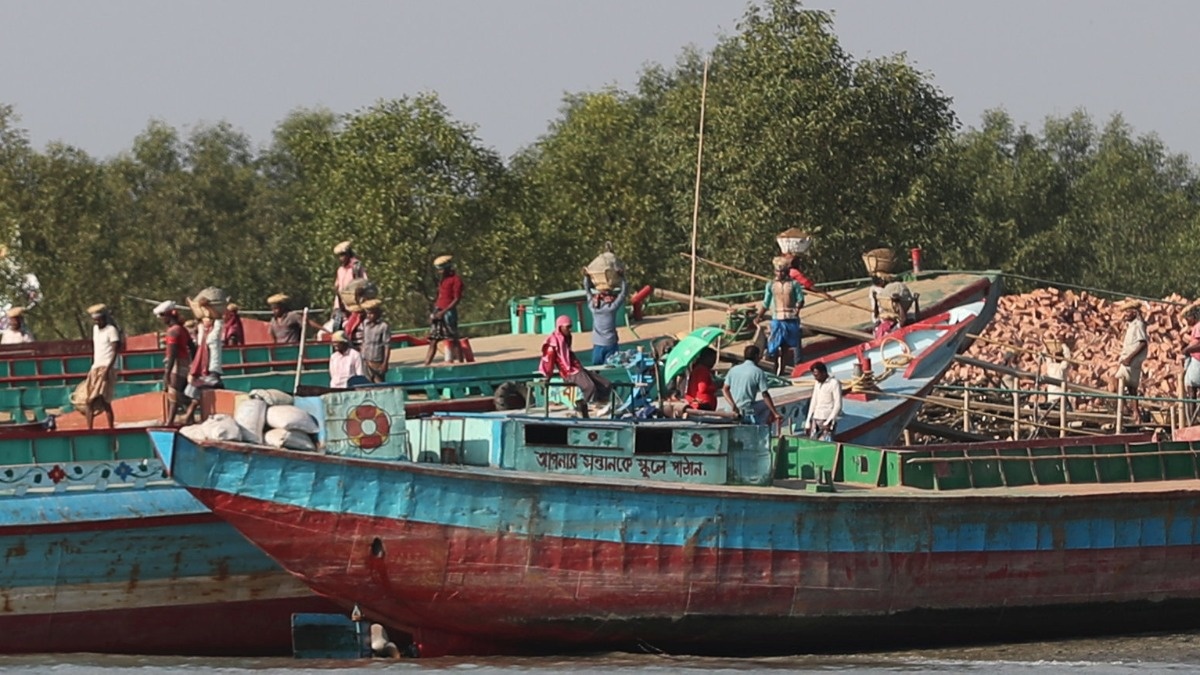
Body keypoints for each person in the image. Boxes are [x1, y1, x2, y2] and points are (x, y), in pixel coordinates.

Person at [538, 315, 613, 418]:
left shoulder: (566, 338)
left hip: (577, 368)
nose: (569, 330)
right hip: (569, 372)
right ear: (560, 327)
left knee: (605, 384)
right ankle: (583, 408)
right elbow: (548, 362)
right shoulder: (553, 344)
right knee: (589, 386)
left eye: (570, 327)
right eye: (567, 327)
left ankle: (598, 404)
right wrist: (547, 377)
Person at [754, 256, 805, 376]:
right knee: (774, 345)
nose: (780, 274)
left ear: (787, 272)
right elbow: (766, 303)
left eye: (782, 271)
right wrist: (759, 316)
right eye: (778, 271)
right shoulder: (770, 285)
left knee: (786, 347)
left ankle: (782, 370)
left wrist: (798, 308)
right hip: (777, 319)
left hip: (791, 319)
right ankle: (775, 368)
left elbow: (800, 299)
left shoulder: (794, 284)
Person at [77, 304, 121, 430]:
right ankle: (89, 428)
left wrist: (108, 369)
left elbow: (114, 351)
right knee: (89, 400)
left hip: (107, 367)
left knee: (104, 400)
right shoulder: (95, 329)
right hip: (96, 366)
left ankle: (110, 428)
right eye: (95, 320)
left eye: (99, 319)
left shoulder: (111, 330)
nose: (97, 322)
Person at [182, 308, 224, 423]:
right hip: (201, 368)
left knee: (203, 392)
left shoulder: (216, 332)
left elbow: (219, 319)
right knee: (191, 391)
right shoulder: (202, 333)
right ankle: (190, 417)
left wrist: (207, 306)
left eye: (209, 319)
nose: (206, 320)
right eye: (205, 319)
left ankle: (189, 416)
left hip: (212, 368)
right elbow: (199, 320)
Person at [722, 345, 782, 425]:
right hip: (746, 409)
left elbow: (725, 389)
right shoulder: (758, 372)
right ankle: (760, 426)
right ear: (756, 356)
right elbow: (765, 394)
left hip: (729, 409)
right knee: (767, 406)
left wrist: (733, 404)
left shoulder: (733, 370)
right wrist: (775, 413)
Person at [154, 301, 193, 423]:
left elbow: (172, 354)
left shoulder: (173, 331)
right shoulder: (182, 329)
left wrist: (167, 372)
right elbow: (192, 347)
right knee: (178, 391)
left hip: (176, 363)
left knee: (174, 393)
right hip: (184, 363)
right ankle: (188, 418)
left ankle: (170, 421)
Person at [1110, 299, 1148, 423]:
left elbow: (1143, 343)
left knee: (1115, 379)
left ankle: (1124, 407)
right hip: (1130, 362)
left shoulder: (1138, 325)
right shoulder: (1132, 326)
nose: (1125, 315)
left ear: (1134, 313)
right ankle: (1136, 416)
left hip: (1131, 362)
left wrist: (1129, 358)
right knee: (1132, 390)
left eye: (1128, 312)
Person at [424, 255, 464, 366]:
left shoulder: (456, 280)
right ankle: (426, 364)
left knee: (453, 338)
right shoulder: (442, 281)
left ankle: (461, 362)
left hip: (448, 313)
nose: (440, 272)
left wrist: (444, 312)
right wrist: (435, 313)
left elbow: (457, 299)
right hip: (438, 310)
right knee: (433, 339)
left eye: (441, 269)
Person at [584, 273, 627, 367]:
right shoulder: (612, 308)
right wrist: (622, 278)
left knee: (596, 368)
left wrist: (586, 277)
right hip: (611, 343)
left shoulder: (593, 307)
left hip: (598, 344)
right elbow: (623, 293)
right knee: (612, 367)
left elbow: (587, 290)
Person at [332, 241, 367, 333]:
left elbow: (364, 284)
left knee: (350, 329)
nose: (341, 258)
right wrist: (337, 307)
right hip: (342, 307)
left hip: (356, 306)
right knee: (337, 330)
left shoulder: (356, 268)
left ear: (348, 254)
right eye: (340, 256)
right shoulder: (340, 270)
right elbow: (338, 289)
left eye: (343, 255)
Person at [804, 361, 842, 440]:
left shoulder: (834, 383)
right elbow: (814, 401)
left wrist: (828, 421)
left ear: (824, 373)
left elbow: (838, 405)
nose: (816, 378)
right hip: (816, 417)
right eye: (814, 376)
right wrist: (808, 420)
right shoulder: (817, 383)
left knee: (826, 443)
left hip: (827, 418)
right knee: (813, 442)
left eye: (817, 375)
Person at [360, 299, 391, 384]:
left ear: (378, 314)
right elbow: (364, 340)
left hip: (377, 360)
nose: (369, 316)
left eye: (372, 313)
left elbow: (387, 345)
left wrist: (385, 363)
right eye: (368, 314)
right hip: (365, 360)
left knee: (379, 383)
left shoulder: (384, 326)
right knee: (367, 382)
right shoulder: (365, 324)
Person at [1181, 300, 1200, 420]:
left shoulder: (1198, 327)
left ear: (1193, 317)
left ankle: (1192, 420)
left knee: (1192, 388)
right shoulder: (1195, 327)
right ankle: (1192, 419)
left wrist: (1187, 350)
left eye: (1188, 318)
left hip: (1197, 360)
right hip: (1195, 360)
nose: (1187, 321)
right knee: (1190, 390)